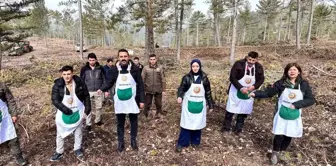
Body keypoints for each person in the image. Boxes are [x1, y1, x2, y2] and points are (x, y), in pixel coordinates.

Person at [249, 63, 315, 165]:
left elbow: (310, 99)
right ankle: (275, 152)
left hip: (295, 112)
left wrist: (296, 104)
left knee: (289, 134)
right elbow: (268, 93)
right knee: (279, 133)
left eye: (294, 70)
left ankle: (283, 151)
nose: (292, 72)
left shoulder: (303, 84)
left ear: (299, 72)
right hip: (281, 111)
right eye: (290, 70)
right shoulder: (281, 83)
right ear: (286, 72)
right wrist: (255, 94)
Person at [98, 49, 145, 152]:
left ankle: (133, 140)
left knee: (134, 121)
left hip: (133, 100)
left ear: (128, 57)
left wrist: (142, 100)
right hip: (120, 101)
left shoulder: (135, 69)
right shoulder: (114, 70)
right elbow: (109, 83)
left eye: (125, 56)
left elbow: (140, 85)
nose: (123, 58)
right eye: (121, 56)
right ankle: (121, 142)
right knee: (120, 122)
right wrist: (102, 89)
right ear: (118, 58)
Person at [50, 65, 91, 161]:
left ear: (72, 73)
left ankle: (77, 149)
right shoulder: (58, 85)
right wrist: (65, 110)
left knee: (78, 132)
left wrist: (88, 108)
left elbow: (86, 95)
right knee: (60, 133)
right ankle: (59, 152)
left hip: (78, 111)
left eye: (68, 74)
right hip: (63, 112)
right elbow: (55, 100)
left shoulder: (79, 82)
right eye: (64, 74)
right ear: (61, 75)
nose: (66, 76)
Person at [175, 59, 214, 152]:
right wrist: (180, 96)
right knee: (186, 124)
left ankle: (195, 142)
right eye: (193, 66)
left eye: (197, 66)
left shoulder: (204, 78)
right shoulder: (186, 77)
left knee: (198, 124)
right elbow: (181, 88)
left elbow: (208, 92)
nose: (195, 68)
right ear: (191, 67)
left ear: (200, 67)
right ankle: (182, 143)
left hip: (200, 105)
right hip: (188, 104)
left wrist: (211, 105)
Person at [222, 51, 264, 134]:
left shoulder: (259, 67)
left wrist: (254, 86)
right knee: (231, 109)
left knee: (244, 109)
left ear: (256, 60)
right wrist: (240, 88)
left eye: (253, 60)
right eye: (250, 59)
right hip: (236, 89)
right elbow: (232, 78)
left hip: (249, 90)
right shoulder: (239, 64)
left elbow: (261, 79)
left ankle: (238, 128)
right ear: (247, 57)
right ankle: (226, 127)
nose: (251, 62)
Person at [0, 82, 27, 165]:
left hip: (4, 116)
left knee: (12, 138)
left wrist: (14, 114)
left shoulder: (1, 85)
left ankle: (19, 158)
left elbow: (10, 99)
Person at [80, 53, 106, 130]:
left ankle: (97, 120)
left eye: (93, 60)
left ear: (96, 60)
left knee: (99, 107)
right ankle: (88, 124)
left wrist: (103, 89)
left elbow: (104, 79)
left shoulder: (100, 68)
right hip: (88, 91)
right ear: (88, 60)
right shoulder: (84, 69)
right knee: (88, 108)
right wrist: (82, 91)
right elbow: (81, 80)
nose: (91, 62)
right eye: (90, 60)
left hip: (98, 91)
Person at [142, 54, 166, 118]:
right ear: (149, 60)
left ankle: (159, 113)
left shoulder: (160, 68)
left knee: (158, 103)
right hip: (148, 89)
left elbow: (163, 79)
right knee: (147, 103)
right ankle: (146, 114)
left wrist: (164, 89)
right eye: (151, 59)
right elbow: (142, 79)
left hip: (158, 89)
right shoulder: (145, 68)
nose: (152, 61)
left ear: (156, 59)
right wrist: (142, 89)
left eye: (154, 59)